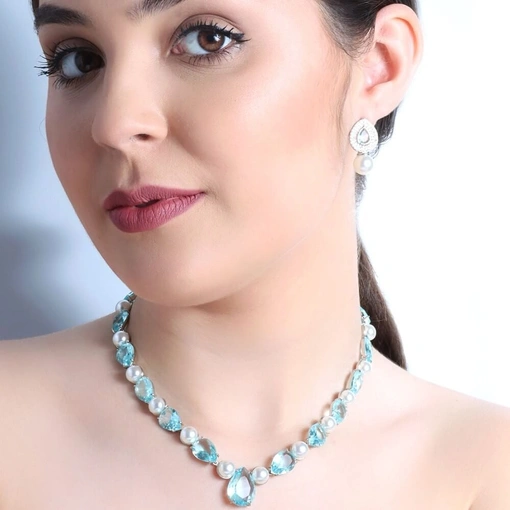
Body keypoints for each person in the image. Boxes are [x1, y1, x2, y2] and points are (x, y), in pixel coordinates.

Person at [0, 0, 508, 508]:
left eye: (206, 39)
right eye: (79, 60)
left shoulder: (485, 472)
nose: (114, 124)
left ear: (379, 65)